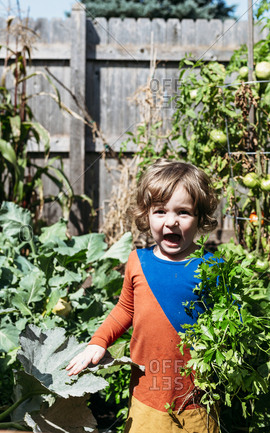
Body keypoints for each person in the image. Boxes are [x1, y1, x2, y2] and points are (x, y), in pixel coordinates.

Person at [66, 159, 220, 433]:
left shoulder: (212, 268)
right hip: (147, 393)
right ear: (146, 216)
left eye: (183, 212)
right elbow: (125, 310)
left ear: (200, 218)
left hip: (197, 397)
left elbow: (229, 323)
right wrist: (98, 342)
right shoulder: (138, 262)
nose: (171, 221)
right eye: (160, 211)